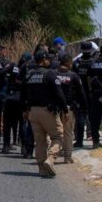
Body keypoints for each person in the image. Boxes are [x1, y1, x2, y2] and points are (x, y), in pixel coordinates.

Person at [21, 50, 67, 178]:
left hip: (32, 112)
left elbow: (22, 94)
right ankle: (50, 159)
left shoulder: (28, 75)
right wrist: (65, 110)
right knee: (58, 137)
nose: (50, 61)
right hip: (47, 111)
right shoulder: (49, 74)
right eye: (48, 59)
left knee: (39, 141)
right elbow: (59, 94)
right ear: (44, 60)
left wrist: (25, 110)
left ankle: (42, 169)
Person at [56, 53, 87, 163]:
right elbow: (81, 92)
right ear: (69, 63)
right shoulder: (73, 76)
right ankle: (67, 157)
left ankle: (53, 153)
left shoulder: (52, 74)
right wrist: (84, 106)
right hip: (68, 108)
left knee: (54, 132)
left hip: (54, 108)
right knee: (68, 132)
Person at [72, 41, 96, 148]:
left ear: (81, 50)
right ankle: (95, 140)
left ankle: (79, 141)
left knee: (80, 118)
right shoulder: (94, 62)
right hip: (91, 94)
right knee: (93, 117)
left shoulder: (76, 63)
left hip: (79, 94)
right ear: (91, 49)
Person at [2, 53, 27, 154]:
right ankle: (24, 148)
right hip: (21, 98)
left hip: (10, 97)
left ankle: (6, 146)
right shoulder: (29, 70)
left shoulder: (12, 67)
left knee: (7, 123)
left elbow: (2, 72)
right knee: (22, 123)